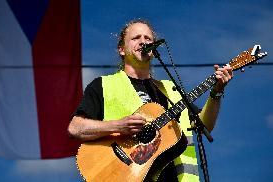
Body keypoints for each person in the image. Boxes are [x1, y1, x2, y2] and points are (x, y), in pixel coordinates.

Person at [68, 19, 233, 182]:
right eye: (136, 38)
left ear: (153, 49)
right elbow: (76, 128)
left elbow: (205, 125)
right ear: (121, 49)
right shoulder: (104, 85)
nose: (143, 42)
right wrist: (119, 125)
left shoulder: (171, 89)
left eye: (148, 38)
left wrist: (216, 92)